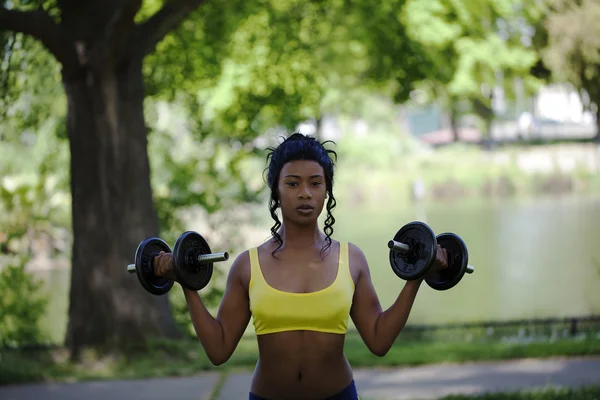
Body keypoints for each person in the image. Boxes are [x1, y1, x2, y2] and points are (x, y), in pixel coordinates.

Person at [153, 133, 448, 400]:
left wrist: (417, 276)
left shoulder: (351, 259)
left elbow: (379, 340)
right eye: (292, 183)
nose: (305, 193)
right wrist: (187, 284)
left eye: (315, 183)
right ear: (277, 192)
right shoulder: (248, 265)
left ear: (326, 191)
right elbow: (218, 350)